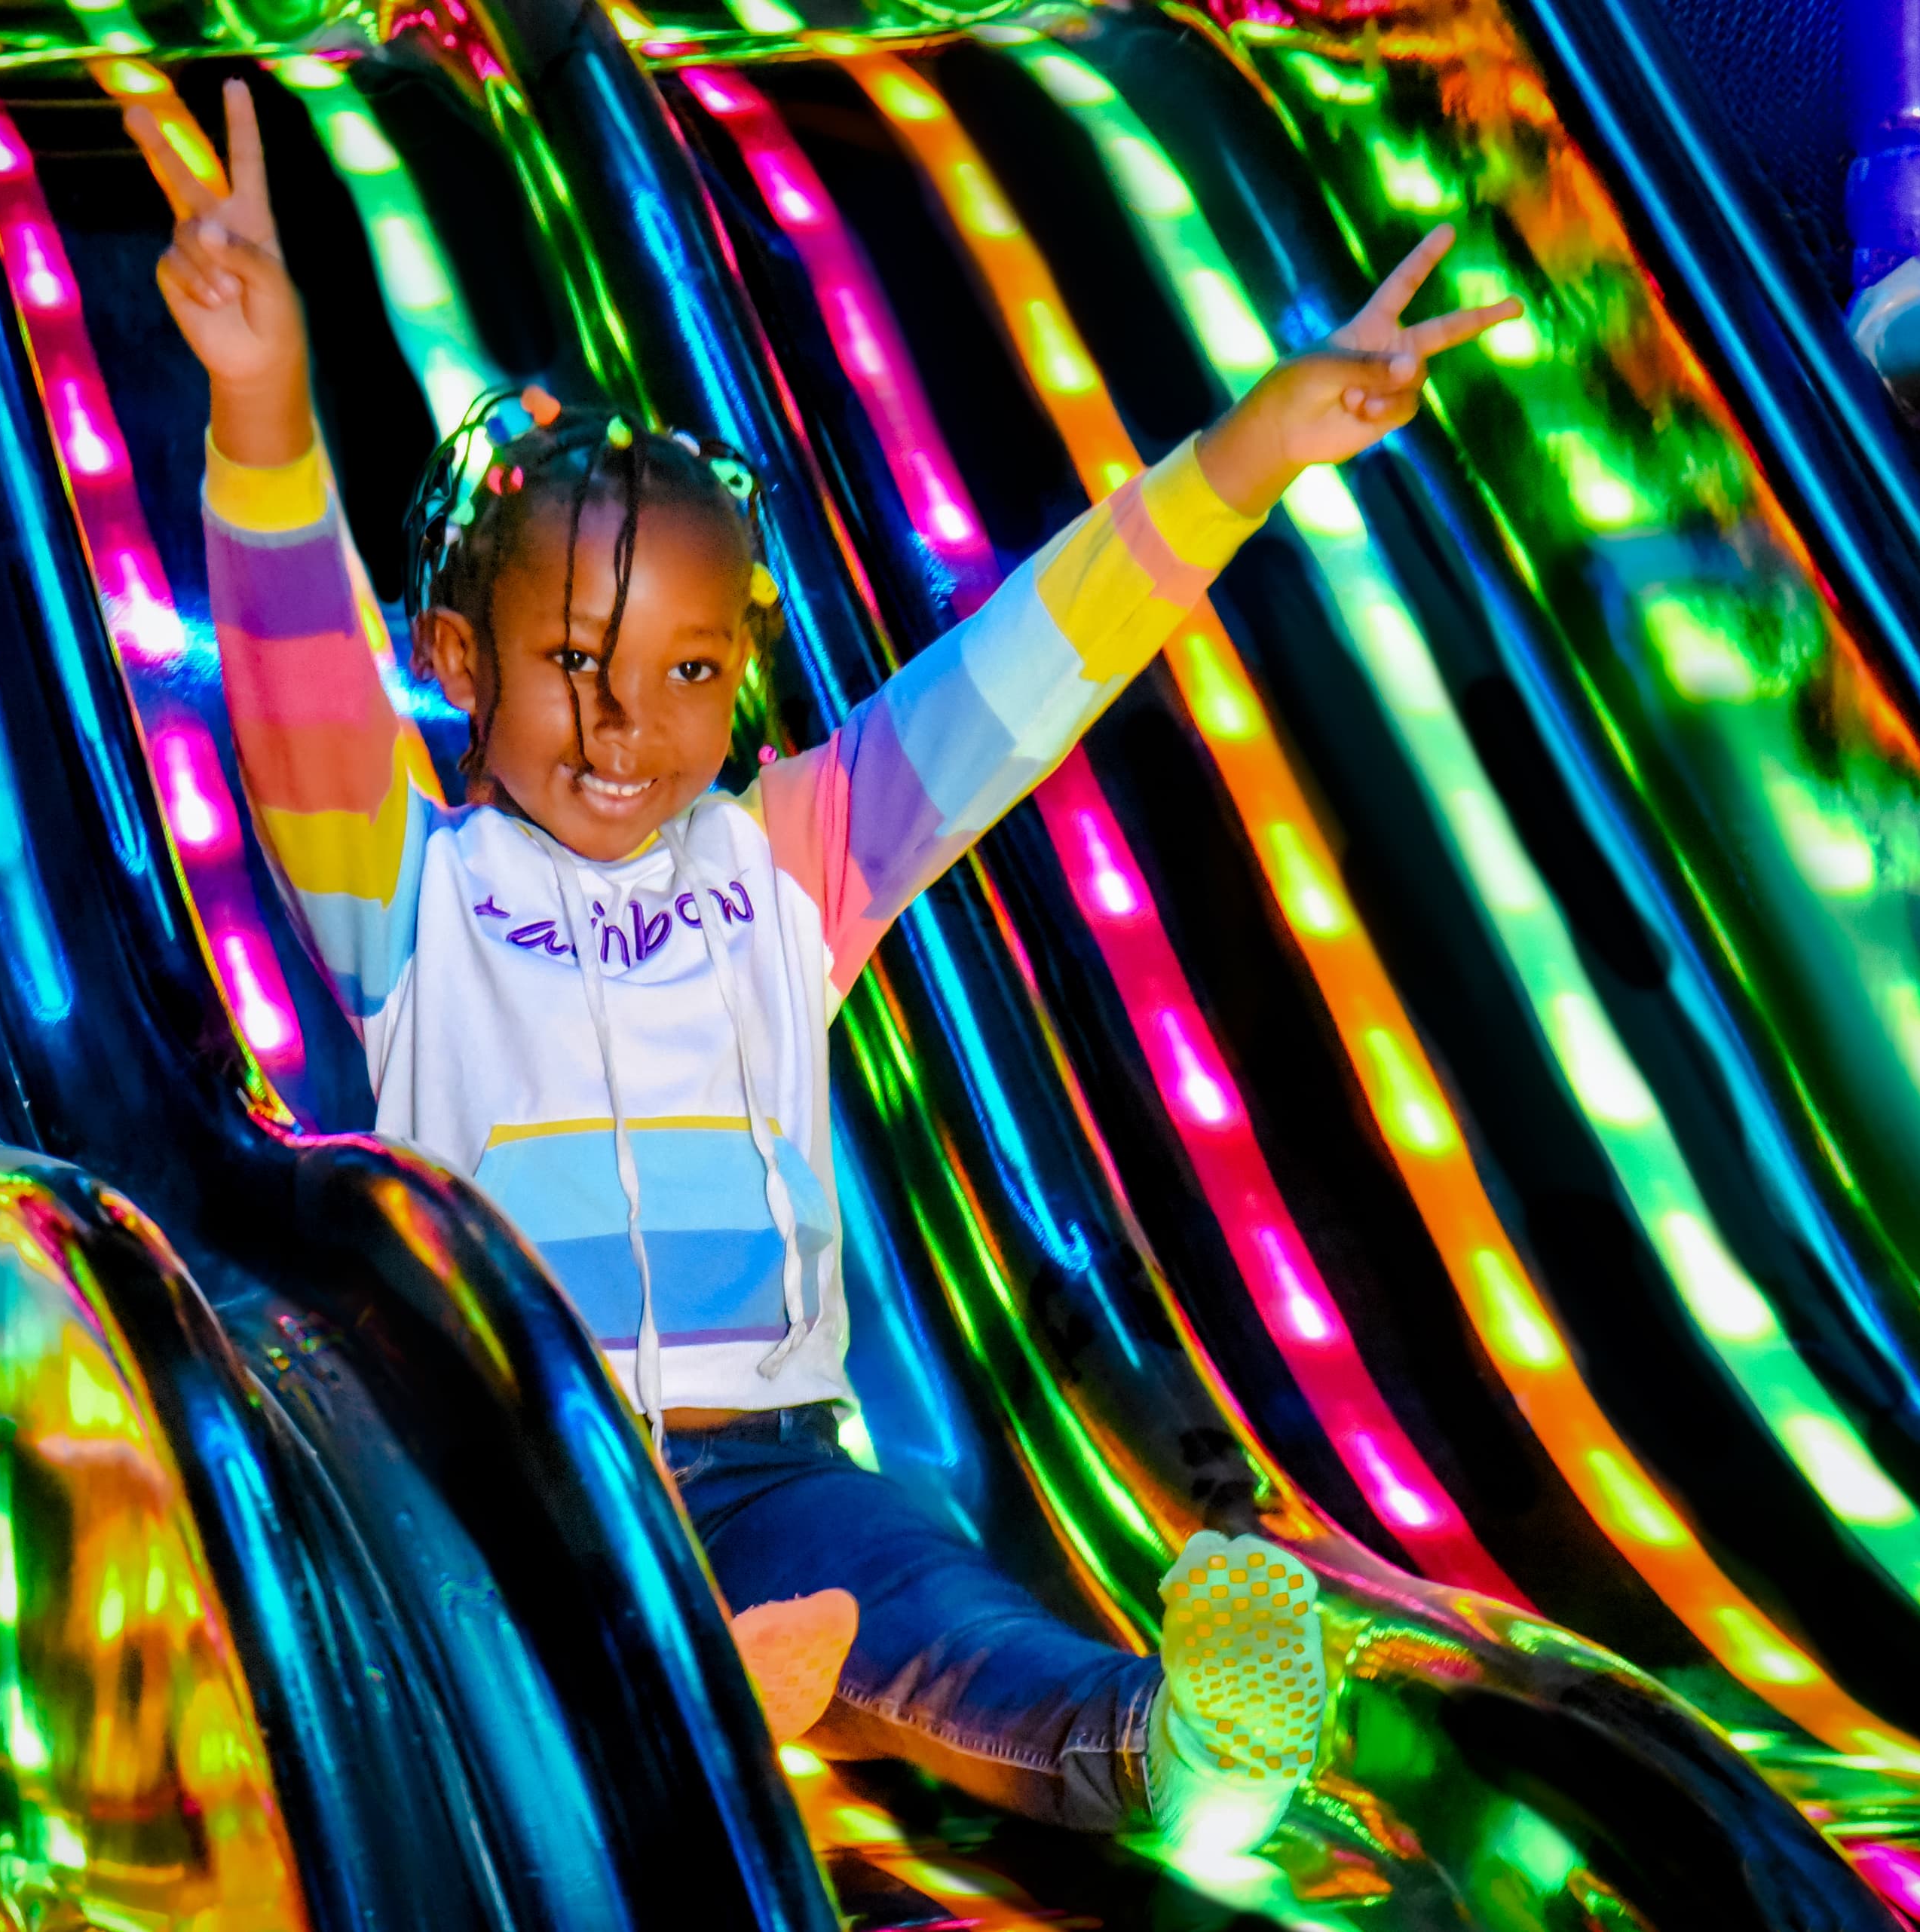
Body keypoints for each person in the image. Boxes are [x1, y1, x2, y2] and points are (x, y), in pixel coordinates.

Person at [125, 78, 1513, 1851]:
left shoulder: (788, 863)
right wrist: (260, 407)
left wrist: (1252, 451)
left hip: (776, 1464)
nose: (633, 723)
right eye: (575, 662)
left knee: (937, 1611)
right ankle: (683, 1684)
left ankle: (1178, 1750)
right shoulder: (411, 892)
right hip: (530, 1478)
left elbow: (1025, 670)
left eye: (691, 671)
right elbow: (298, 692)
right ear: (460, 656)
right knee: (446, 1616)